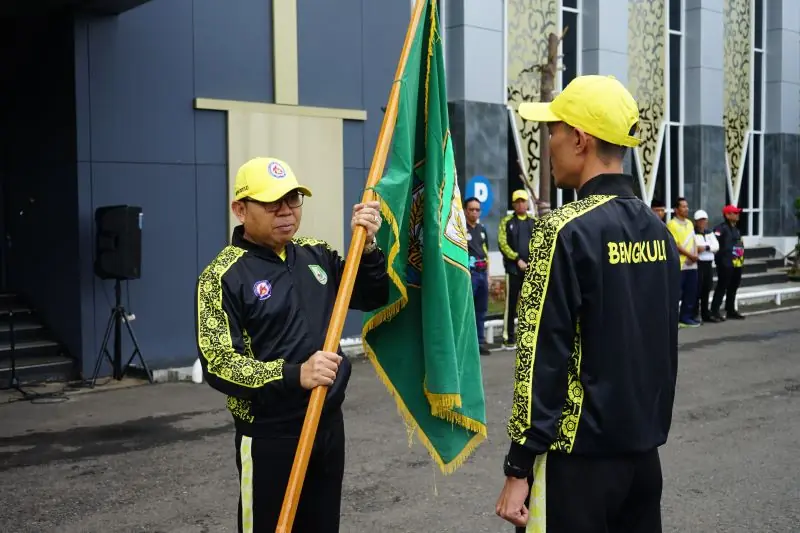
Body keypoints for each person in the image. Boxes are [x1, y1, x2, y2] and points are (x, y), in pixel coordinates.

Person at [495, 75, 680, 533]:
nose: (549, 142)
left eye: (553, 131)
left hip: (578, 465)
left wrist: (519, 465)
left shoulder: (563, 230)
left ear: (580, 139)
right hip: (643, 459)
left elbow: (540, 356)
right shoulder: (660, 233)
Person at [195, 157, 389, 532]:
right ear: (240, 209)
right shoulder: (221, 276)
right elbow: (219, 364)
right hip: (270, 434)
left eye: (293, 200)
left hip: (327, 425)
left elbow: (371, 295)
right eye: (271, 203)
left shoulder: (316, 254)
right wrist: (294, 375)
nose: (285, 211)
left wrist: (367, 248)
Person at [498, 189, 535, 348]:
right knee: (511, 305)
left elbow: (539, 243)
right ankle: (509, 338)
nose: (521, 204)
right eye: (517, 201)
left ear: (527, 203)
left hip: (531, 269)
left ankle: (528, 338)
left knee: (530, 304)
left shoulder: (534, 221)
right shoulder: (507, 221)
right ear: (513, 204)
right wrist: (516, 258)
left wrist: (531, 262)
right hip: (513, 269)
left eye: (523, 201)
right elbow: (502, 243)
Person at [667, 198, 701, 328]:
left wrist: (696, 255)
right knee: (677, 293)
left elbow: (694, 241)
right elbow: (675, 244)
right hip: (680, 264)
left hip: (692, 264)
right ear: (676, 209)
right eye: (683, 206)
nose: (686, 209)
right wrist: (690, 255)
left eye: (687, 206)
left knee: (690, 292)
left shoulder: (690, 223)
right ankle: (673, 320)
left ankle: (685, 318)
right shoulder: (672, 224)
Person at [465, 197, 492, 356]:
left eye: (477, 210)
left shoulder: (481, 229)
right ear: (465, 210)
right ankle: (466, 344)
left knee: (481, 310)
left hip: (482, 274)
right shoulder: (461, 229)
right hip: (470, 274)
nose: (475, 212)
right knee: (468, 310)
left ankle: (480, 342)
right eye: (471, 209)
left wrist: (488, 274)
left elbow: (486, 252)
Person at [710, 204, 746, 320]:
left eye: (737, 213)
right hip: (725, 262)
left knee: (734, 286)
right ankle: (714, 311)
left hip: (737, 261)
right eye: (735, 213)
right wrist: (720, 260)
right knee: (722, 286)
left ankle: (730, 310)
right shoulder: (720, 228)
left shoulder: (736, 229)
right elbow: (715, 245)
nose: (737, 215)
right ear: (727, 215)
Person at [693, 209, 720, 323]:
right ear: (696, 221)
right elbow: (696, 247)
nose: (703, 222)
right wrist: (707, 247)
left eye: (704, 220)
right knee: (697, 289)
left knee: (707, 288)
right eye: (700, 220)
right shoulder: (693, 233)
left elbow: (716, 246)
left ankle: (705, 313)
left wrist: (706, 247)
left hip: (708, 263)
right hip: (699, 263)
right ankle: (695, 313)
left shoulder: (709, 233)